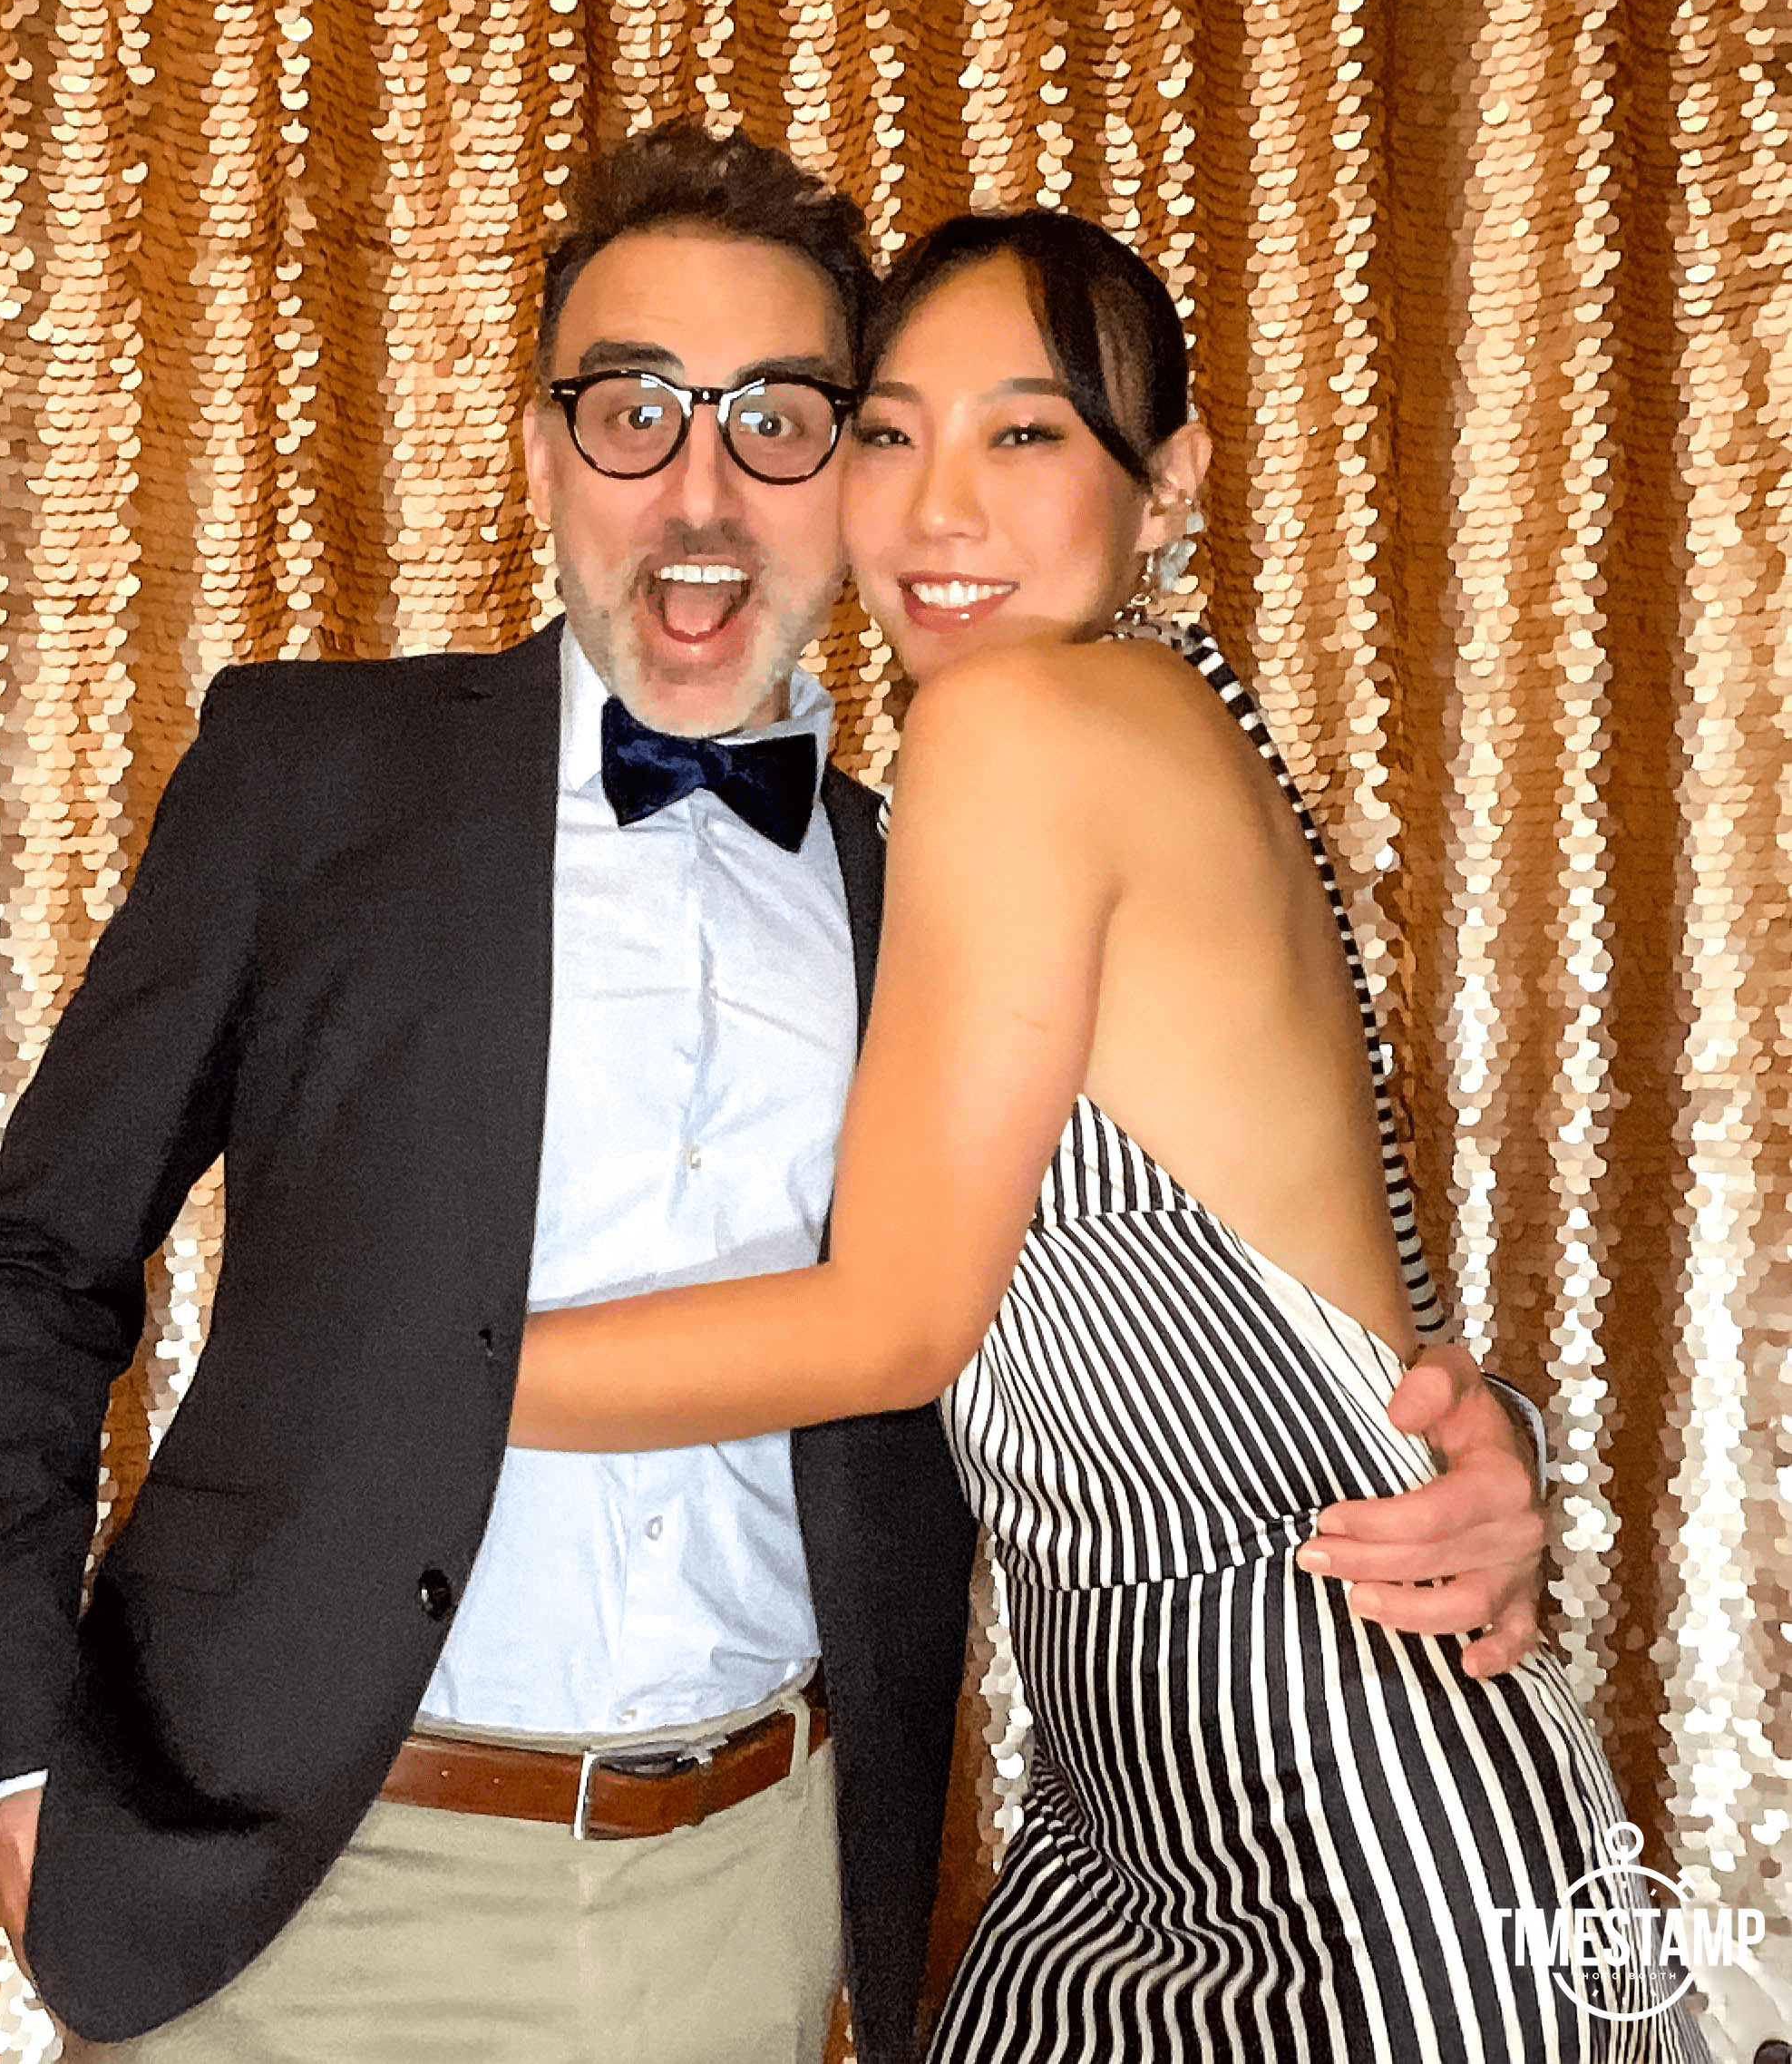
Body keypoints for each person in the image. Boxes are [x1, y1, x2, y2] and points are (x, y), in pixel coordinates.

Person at [0, 127, 1545, 2064]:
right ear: (542, 454)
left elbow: (1173, 1247)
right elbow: (31, 1260)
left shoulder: (934, 868)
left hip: (759, 1897)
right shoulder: (314, 774)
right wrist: (5, 1765)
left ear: (836, 477)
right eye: (632, 414)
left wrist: (1457, 1440)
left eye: (777, 420)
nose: (701, 490)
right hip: (301, 1899)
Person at [507, 213, 1704, 2060]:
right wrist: (1495, 1432)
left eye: (1025, 432)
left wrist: (406, 1384)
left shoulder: (1024, 725)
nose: (938, 507)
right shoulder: (1133, 727)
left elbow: (891, 1322)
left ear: (1170, 487)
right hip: (1130, 1814)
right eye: (891, 433)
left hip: (1343, 1821)